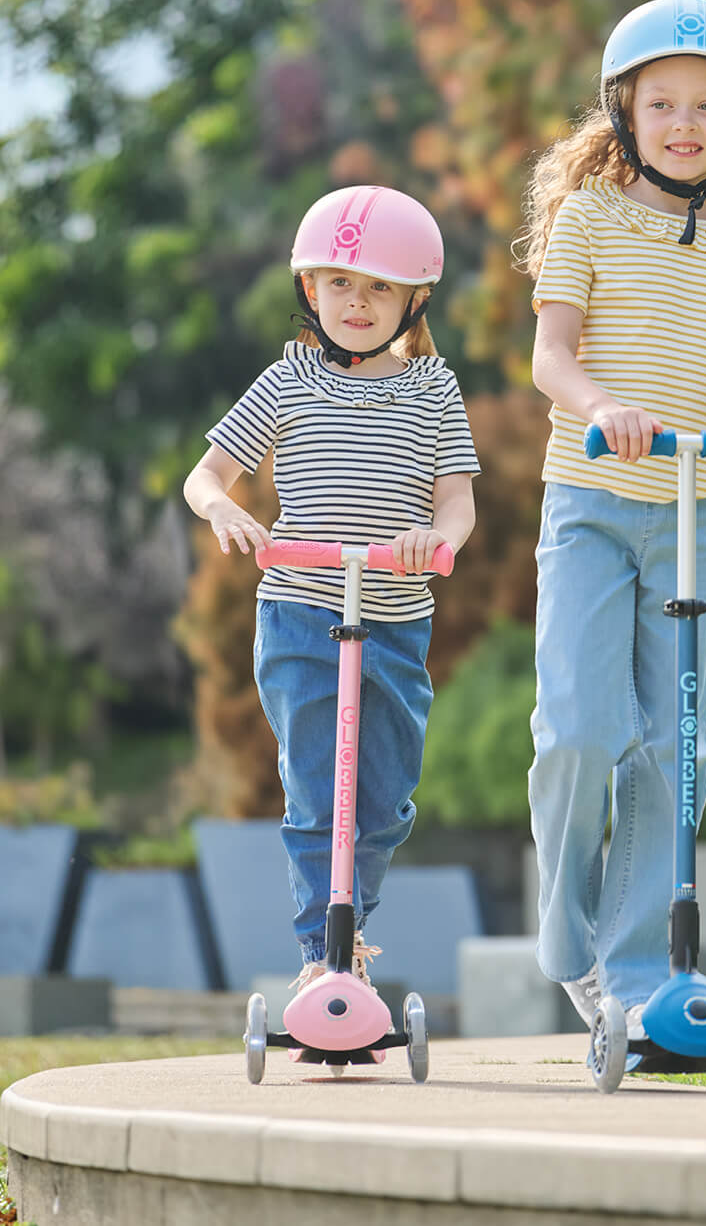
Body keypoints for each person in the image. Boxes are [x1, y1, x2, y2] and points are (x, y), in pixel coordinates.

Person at [517, 0, 706, 1047]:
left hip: (700, 514)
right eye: (662, 105)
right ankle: (567, 944)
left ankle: (638, 972)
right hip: (595, 505)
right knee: (584, 734)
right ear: (624, 114)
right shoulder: (590, 219)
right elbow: (550, 355)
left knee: (675, 750)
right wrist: (604, 409)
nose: (684, 123)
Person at [183, 185, 479, 992]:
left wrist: (437, 540)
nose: (357, 301)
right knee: (319, 789)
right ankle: (325, 960)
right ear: (308, 290)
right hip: (300, 610)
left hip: (395, 615)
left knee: (382, 803)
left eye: (379, 286)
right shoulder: (287, 382)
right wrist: (228, 515)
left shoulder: (434, 390)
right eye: (340, 283)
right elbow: (205, 478)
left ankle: (351, 936)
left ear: (414, 300)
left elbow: (457, 498)